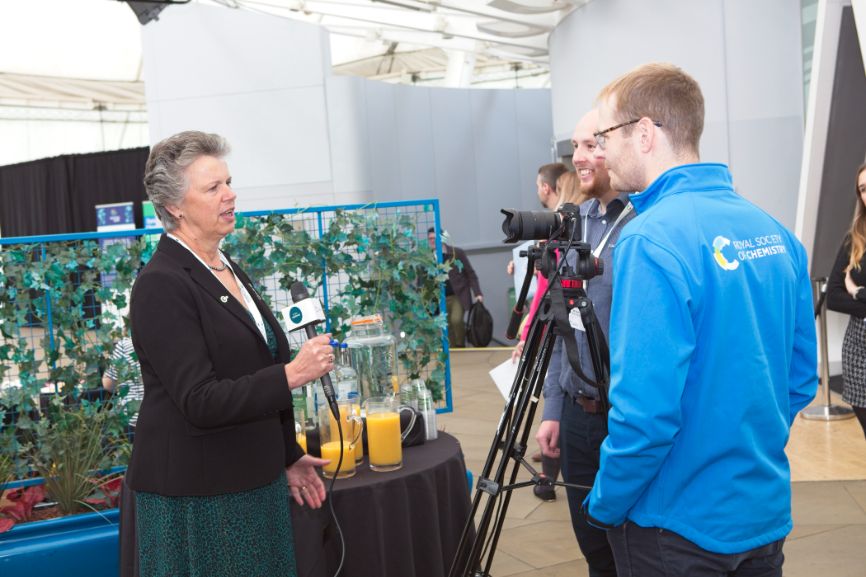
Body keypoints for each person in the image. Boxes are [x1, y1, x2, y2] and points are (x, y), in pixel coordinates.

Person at [585, 63, 818, 576]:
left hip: (674, 525)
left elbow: (645, 416)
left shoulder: (649, 240)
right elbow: (801, 378)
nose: (599, 152)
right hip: (761, 513)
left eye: (604, 136)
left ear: (644, 134)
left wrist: (605, 501)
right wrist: (742, 439)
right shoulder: (776, 233)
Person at [125, 131, 332, 577]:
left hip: (254, 480)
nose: (230, 194)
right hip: (200, 496)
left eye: (229, 182)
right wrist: (293, 374)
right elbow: (200, 399)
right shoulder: (161, 284)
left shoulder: (224, 267)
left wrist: (288, 455)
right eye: (213, 187)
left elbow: (256, 364)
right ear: (175, 206)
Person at [530, 109, 633, 574]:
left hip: (625, 418)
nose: (579, 158)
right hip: (575, 415)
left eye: (591, 145)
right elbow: (561, 326)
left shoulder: (642, 226)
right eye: (575, 147)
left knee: (634, 549)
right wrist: (553, 410)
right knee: (594, 550)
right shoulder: (572, 226)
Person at [826, 161, 866, 439]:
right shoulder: (854, 240)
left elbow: (848, 293)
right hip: (859, 350)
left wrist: (858, 292)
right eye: (862, 189)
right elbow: (833, 296)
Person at [427, 227, 483, 348]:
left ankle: (460, 346)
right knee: (447, 325)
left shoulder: (456, 253)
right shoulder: (428, 258)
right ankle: (453, 350)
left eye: (434, 238)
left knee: (456, 320)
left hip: (458, 295)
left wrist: (477, 293)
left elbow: (470, 274)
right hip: (440, 298)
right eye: (429, 238)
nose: (432, 241)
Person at [102, 336, 144, 439]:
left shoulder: (125, 345)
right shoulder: (169, 342)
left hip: (131, 419)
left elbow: (107, 384)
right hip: (163, 417)